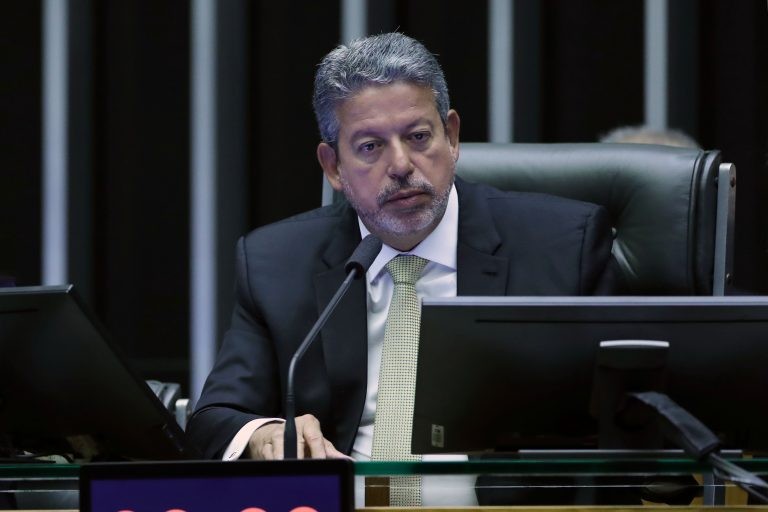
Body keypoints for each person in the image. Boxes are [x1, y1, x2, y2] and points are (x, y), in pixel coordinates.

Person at [187, 31, 617, 476]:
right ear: (333, 167)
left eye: (417, 136)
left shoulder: (564, 246)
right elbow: (216, 419)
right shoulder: (275, 262)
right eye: (370, 147)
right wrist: (265, 433)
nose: (400, 165)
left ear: (451, 136)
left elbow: (619, 422)